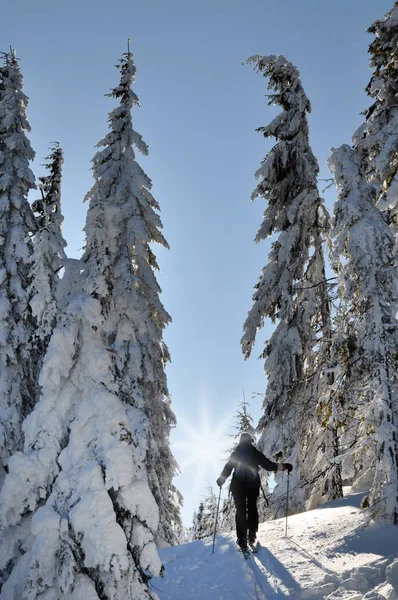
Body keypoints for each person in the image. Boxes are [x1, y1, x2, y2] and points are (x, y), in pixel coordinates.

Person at [216, 432, 293, 551]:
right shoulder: (254, 452)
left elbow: (228, 468)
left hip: (238, 486)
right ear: (250, 441)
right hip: (252, 485)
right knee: (252, 508)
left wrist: (221, 479)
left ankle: (242, 539)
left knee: (240, 510)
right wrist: (284, 466)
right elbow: (268, 465)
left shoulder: (235, 454)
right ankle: (251, 535)